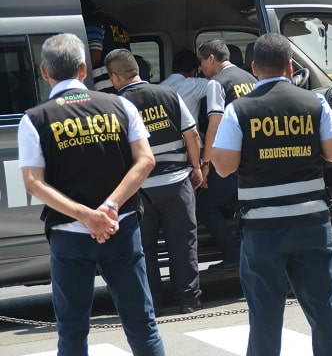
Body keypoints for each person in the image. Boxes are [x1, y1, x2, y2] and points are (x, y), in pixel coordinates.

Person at [17, 33, 164, 355]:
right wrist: (110, 207)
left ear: (44, 72)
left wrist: (86, 217)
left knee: (72, 331)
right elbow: (145, 160)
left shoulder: (35, 119)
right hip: (121, 226)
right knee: (142, 323)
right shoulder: (120, 105)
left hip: (69, 235)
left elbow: (33, 183)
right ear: (83, 69)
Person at [212, 33, 332, 356]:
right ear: (290, 66)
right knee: (325, 310)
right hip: (312, 225)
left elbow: (224, 167)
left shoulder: (239, 110)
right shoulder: (314, 103)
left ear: (254, 68)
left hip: (263, 229)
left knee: (265, 316)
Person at [105, 48, 203, 316]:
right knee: (183, 242)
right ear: (136, 69)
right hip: (177, 182)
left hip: (139, 190)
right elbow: (192, 134)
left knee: (143, 247)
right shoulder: (169, 93)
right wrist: (196, 167)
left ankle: (153, 303)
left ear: (114, 77)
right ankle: (189, 300)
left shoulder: (115, 106)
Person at [196, 39, 258, 271]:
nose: (200, 68)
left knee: (205, 206)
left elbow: (215, 125)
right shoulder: (249, 78)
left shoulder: (216, 83)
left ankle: (235, 255)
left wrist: (206, 163)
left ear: (211, 58)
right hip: (254, 157)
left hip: (231, 158)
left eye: (202, 62)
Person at [161, 49, 223, 130]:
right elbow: (220, 84)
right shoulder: (193, 84)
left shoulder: (161, 86)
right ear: (194, 70)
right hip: (190, 135)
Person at [81, 0, 130, 94]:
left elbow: (95, 56)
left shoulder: (93, 22)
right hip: (123, 81)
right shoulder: (118, 25)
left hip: (104, 84)